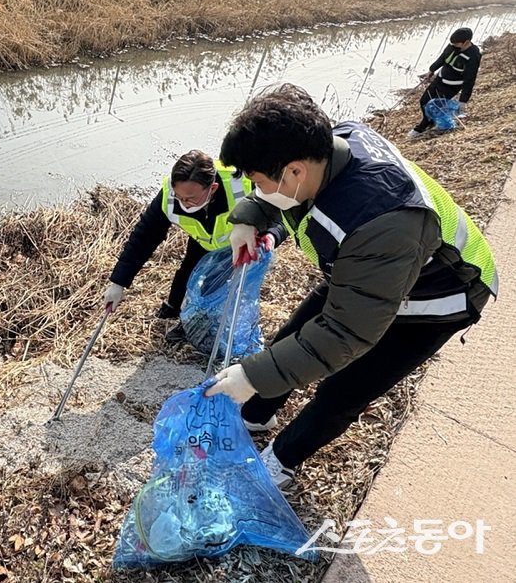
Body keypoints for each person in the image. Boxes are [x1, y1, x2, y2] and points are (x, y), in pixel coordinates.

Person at [205, 84, 497, 489]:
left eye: (258, 181)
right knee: (291, 340)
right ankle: (256, 414)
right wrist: (249, 215)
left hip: (440, 293)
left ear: (293, 171)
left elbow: (347, 332)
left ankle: (283, 459)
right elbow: (281, 194)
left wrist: (250, 376)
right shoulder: (329, 143)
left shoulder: (382, 221)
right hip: (370, 270)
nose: (258, 189)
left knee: (346, 387)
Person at [102, 150, 282, 344]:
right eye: (179, 196)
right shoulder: (170, 196)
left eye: (190, 198)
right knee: (187, 271)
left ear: (212, 189)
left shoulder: (242, 181)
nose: (183, 203)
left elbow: (283, 209)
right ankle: (173, 308)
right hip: (204, 240)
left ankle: (191, 324)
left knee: (212, 287)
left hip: (242, 242)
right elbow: (143, 238)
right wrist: (118, 283)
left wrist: (272, 235)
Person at [407, 27, 481, 139]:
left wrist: (463, 101)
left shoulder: (473, 55)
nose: (453, 45)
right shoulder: (452, 46)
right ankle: (431, 122)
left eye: (456, 43)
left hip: (452, 85)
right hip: (440, 79)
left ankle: (421, 127)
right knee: (424, 101)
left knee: (435, 106)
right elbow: (442, 58)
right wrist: (431, 70)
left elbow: (469, 80)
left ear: (466, 42)